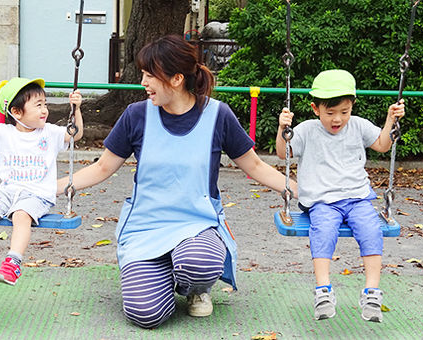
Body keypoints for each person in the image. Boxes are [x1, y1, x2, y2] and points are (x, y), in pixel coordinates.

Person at [57, 34, 297, 329]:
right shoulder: (136, 115)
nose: (143, 82)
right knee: (145, 314)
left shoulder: (217, 115)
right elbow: (103, 166)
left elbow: (256, 165)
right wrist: (55, 186)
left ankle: (195, 287)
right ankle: (160, 277)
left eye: (149, 75)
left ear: (176, 78)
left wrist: (297, 189)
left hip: (196, 225)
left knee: (199, 262)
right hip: (146, 227)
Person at [276, 69, 405, 323]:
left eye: (344, 112)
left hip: (358, 198)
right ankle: (323, 290)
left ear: (351, 107)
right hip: (323, 201)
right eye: (330, 113)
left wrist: (391, 120)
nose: (338, 119)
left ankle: (372, 292)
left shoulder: (358, 126)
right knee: (323, 231)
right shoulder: (307, 130)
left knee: (371, 230)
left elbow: (381, 144)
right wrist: (283, 129)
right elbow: (283, 153)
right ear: (316, 109)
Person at [0, 77, 83, 288]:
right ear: (16, 112)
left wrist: (76, 110)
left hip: (37, 194)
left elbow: (75, 134)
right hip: (8, 191)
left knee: (21, 215)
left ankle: (13, 262)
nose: (44, 110)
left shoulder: (50, 132)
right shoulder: (3, 133)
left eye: (45, 104)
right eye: (38, 105)